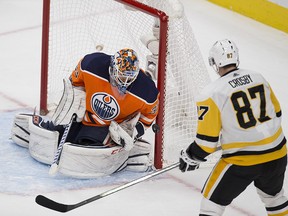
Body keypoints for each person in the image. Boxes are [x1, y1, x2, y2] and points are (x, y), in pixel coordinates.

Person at [11, 48, 159, 178]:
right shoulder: (91, 64)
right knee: (59, 129)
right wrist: (76, 98)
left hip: (110, 128)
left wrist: (135, 131)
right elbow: (74, 82)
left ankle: (124, 152)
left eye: (129, 77)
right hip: (84, 115)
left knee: (86, 143)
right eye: (121, 75)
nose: (124, 81)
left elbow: (150, 115)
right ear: (112, 67)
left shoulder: (147, 91)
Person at [179, 39, 288, 216]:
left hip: (242, 161)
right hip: (277, 153)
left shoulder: (211, 93)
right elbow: (276, 113)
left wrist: (191, 155)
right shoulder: (258, 77)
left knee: (211, 204)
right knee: (274, 198)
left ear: (214, 63)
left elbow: (207, 143)